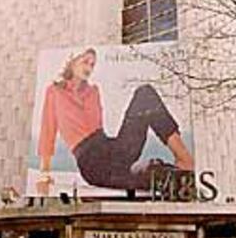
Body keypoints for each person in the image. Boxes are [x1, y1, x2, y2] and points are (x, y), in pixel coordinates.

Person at [37, 48, 193, 193]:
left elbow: (96, 127)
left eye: (92, 64)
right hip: (92, 164)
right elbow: (47, 130)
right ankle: (174, 177)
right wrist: (44, 173)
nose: (89, 68)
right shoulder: (55, 92)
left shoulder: (93, 92)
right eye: (85, 62)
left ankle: (184, 159)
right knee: (151, 171)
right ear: (72, 62)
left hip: (113, 148)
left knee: (145, 94)